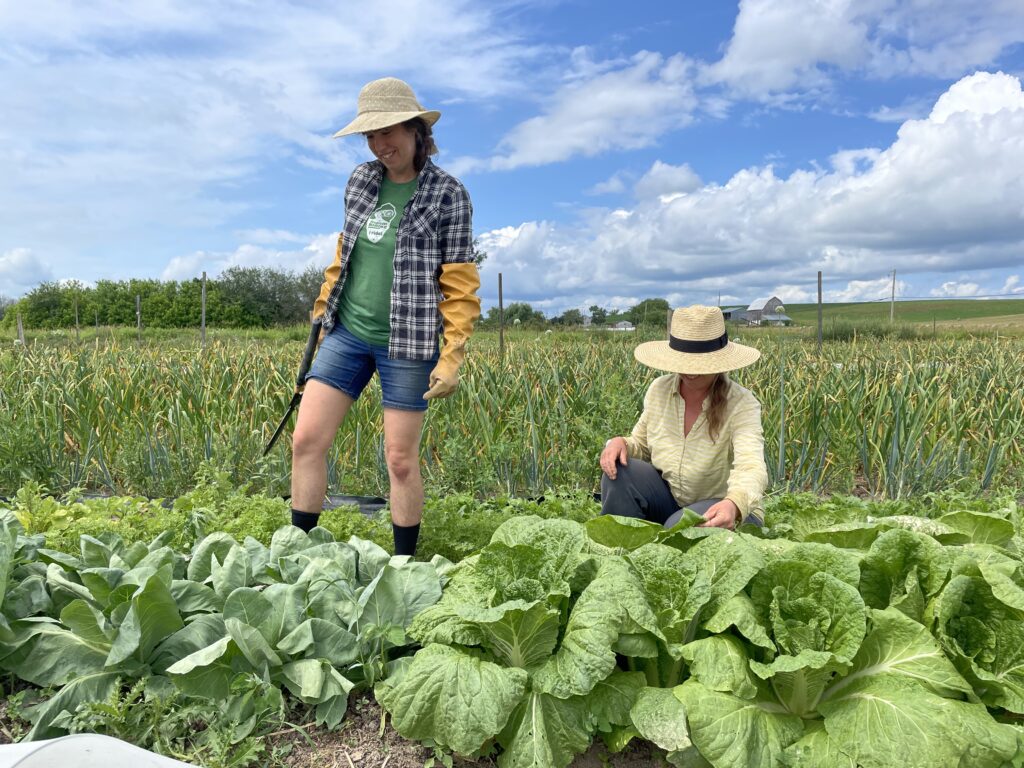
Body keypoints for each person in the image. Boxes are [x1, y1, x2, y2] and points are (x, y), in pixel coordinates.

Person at [290, 77, 481, 556]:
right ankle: (297, 553)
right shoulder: (360, 180)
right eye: (370, 136)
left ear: (416, 130)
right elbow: (345, 250)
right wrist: (322, 308)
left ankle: (403, 567)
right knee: (306, 440)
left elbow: (459, 284)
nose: (379, 144)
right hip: (348, 333)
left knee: (399, 459)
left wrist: (453, 354)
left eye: (388, 132)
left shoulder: (448, 194)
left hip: (409, 343)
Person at [599, 305, 768, 530]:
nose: (690, 371)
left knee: (678, 526)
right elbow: (640, 444)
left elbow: (751, 466)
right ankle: (618, 551)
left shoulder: (741, 403)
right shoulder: (659, 390)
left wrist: (734, 503)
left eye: (700, 362)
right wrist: (620, 443)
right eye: (684, 360)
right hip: (673, 502)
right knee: (620, 473)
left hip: (725, 509)